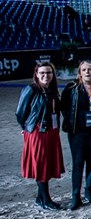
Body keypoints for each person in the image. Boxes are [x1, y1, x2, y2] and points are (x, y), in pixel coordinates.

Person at [60, 61, 91, 210]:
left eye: (90, 69)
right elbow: (64, 107)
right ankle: (76, 195)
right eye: (84, 70)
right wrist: (72, 121)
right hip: (77, 132)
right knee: (78, 162)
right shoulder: (71, 88)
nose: (87, 72)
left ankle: (88, 191)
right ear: (79, 73)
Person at [17, 62, 64, 210]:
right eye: (42, 73)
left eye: (49, 73)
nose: (46, 75)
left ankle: (40, 198)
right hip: (38, 132)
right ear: (36, 74)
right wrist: (26, 127)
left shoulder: (52, 90)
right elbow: (20, 112)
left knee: (47, 164)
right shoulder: (31, 89)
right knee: (41, 165)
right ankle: (46, 200)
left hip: (51, 131)